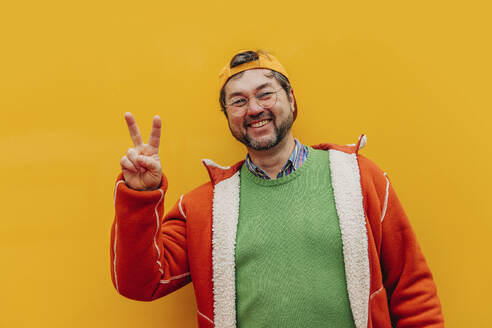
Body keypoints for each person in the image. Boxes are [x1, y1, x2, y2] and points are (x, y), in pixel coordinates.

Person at [110, 50, 444, 328]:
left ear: (291, 100)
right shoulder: (203, 207)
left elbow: (411, 287)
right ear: (228, 116)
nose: (254, 108)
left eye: (265, 93)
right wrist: (140, 196)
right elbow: (141, 283)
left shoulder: (359, 178)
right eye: (237, 101)